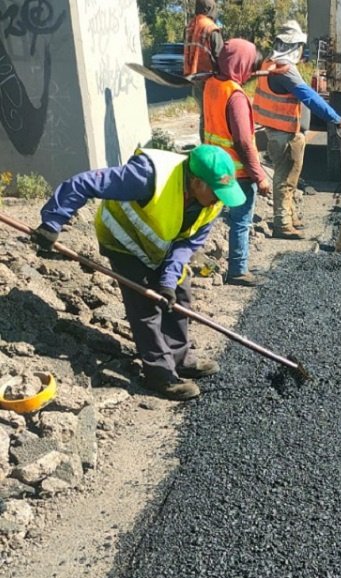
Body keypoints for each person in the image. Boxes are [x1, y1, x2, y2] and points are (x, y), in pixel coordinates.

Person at [30, 145, 246, 400]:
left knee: (179, 293)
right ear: (197, 182)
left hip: (162, 246)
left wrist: (167, 280)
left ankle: (180, 358)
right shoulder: (147, 176)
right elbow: (84, 182)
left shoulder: (212, 202)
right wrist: (53, 221)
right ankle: (159, 375)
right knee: (145, 306)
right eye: (217, 192)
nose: (221, 198)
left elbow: (187, 244)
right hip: (124, 242)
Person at [253, 21, 341, 240]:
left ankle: (290, 216)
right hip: (284, 134)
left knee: (288, 177)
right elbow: (310, 97)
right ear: (294, 46)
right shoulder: (285, 71)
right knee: (285, 179)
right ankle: (282, 224)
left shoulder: (270, 63)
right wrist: (335, 118)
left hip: (274, 130)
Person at [203, 38, 272, 286]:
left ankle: (201, 264)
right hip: (236, 173)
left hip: (214, 167)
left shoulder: (211, 84)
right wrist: (260, 176)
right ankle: (238, 270)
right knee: (240, 221)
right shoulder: (236, 97)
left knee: (210, 217)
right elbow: (243, 142)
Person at [183, 0, 224, 141]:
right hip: (210, 81)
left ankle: (204, 147)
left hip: (195, 80)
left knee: (204, 116)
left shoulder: (190, 26)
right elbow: (220, 56)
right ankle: (214, 150)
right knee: (215, 117)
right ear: (209, 9)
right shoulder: (211, 28)